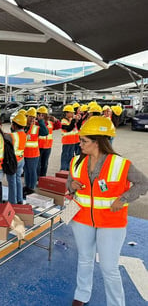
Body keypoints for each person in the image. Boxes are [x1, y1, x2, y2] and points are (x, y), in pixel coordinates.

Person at [67, 116, 148, 306]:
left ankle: (116, 303)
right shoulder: (76, 162)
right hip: (82, 219)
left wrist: (124, 199)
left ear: (97, 142)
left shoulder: (121, 164)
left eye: (84, 141)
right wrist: (72, 185)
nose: (80, 144)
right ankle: (82, 294)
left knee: (109, 267)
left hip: (111, 222)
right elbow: (68, 183)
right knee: (84, 259)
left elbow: (143, 183)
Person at [24, 107, 48, 194]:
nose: (32, 119)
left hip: (33, 154)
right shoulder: (23, 127)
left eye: (33, 117)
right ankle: (27, 186)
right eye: (29, 117)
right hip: (24, 154)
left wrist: (41, 121)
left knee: (32, 171)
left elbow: (45, 132)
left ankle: (31, 188)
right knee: (26, 172)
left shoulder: (36, 128)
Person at [6, 113, 27, 204]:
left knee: (12, 182)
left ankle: (12, 202)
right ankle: (20, 200)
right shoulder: (24, 134)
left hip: (13, 162)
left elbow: (5, 137)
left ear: (14, 125)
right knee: (18, 180)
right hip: (21, 160)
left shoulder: (12, 136)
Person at [37, 105, 60, 177]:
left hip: (48, 146)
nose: (42, 116)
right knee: (38, 164)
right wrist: (41, 122)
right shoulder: (37, 123)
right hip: (39, 146)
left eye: (44, 115)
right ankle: (37, 177)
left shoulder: (50, 123)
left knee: (45, 163)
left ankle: (43, 177)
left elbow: (58, 126)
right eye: (41, 115)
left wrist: (56, 120)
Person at [61, 105, 80, 171]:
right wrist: (74, 120)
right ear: (66, 113)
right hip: (67, 142)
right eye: (71, 113)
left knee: (70, 156)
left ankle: (68, 169)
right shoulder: (63, 121)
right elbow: (69, 129)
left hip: (73, 141)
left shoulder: (71, 120)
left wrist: (76, 120)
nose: (73, 114)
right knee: (65, 156)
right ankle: (63, 169)